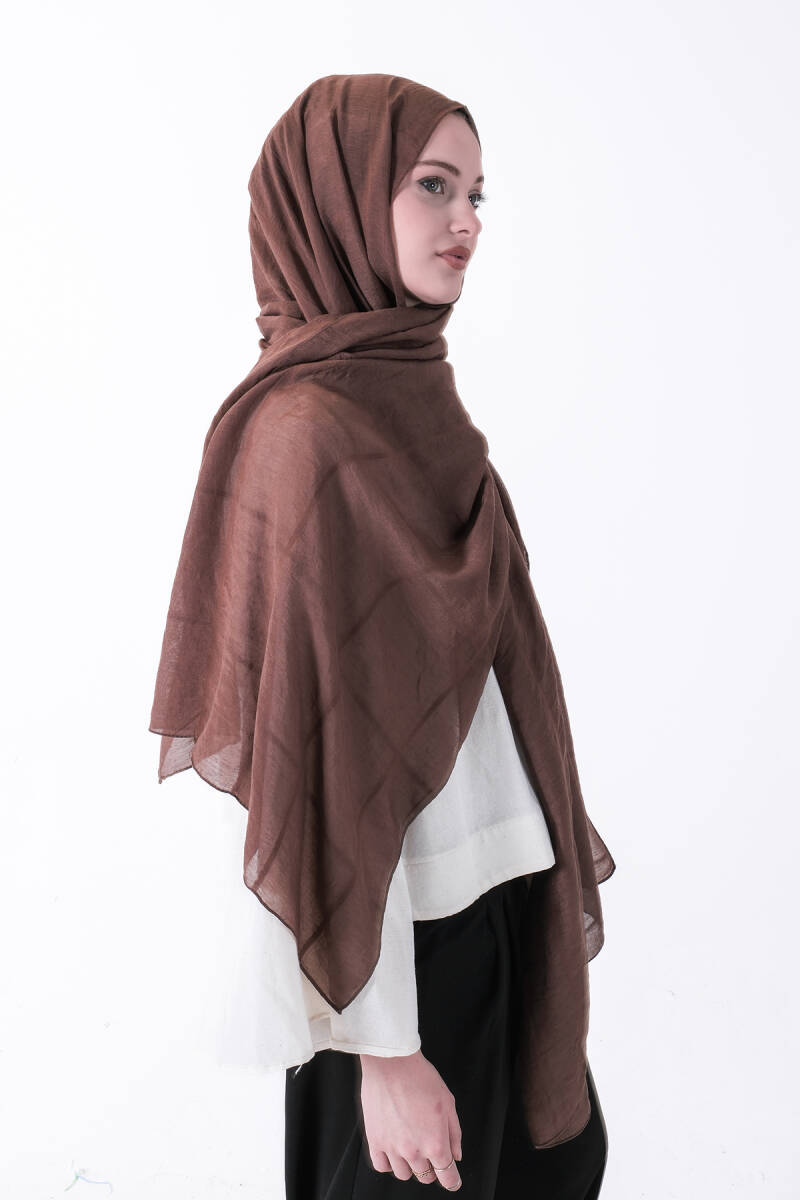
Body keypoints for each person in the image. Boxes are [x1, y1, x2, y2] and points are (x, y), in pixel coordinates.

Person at [149, 73, 615, 1200]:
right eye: (432, 186)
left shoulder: (420, 406)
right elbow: (310, 780)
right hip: (389, 959)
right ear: (338, 199)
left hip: (502, 911)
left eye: (476, 194)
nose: (467, 221)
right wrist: (384, 1051)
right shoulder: (303, 435)